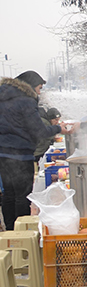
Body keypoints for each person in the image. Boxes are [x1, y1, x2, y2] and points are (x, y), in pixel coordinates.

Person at [0, 71, 71, 227]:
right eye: (39, 88)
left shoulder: (3, 96)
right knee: (22, 195)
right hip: (20, 155)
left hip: (3, 154)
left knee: (9, 193)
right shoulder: (26, 100)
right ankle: (23, 230)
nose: (39, 92)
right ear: (30, 86)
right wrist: (58, 128)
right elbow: (39, 131)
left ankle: (11, 232)